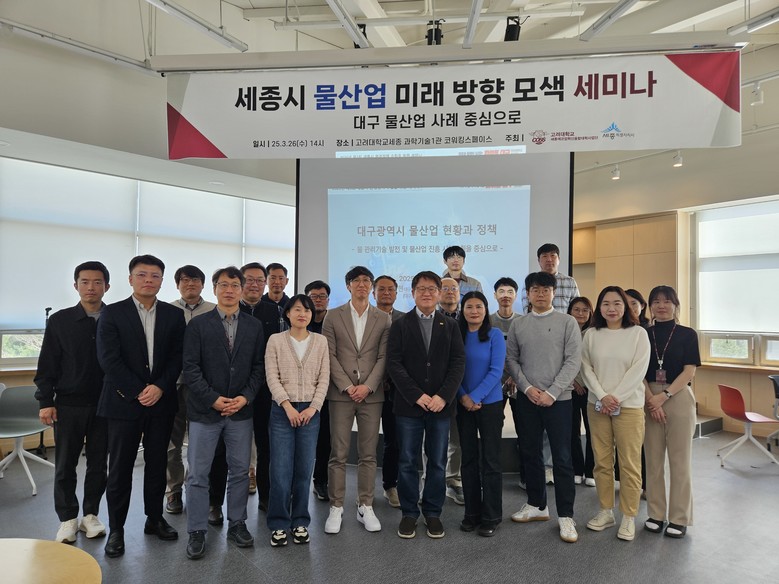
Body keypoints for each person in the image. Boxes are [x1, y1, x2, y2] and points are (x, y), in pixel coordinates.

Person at [96, 255, 186, 558]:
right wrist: (138, 391)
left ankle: (155, 518)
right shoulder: (113, 313)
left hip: (161, 402)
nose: (149, 280)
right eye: (142, 274)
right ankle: (117, 529)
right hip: (123, 403)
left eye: (155, 275)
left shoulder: (174, 315)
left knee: (158, 464)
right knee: (120, 468)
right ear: (130, 279)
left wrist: (159, 386)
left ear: (162, 280)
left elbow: (177, 356)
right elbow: (109, 359)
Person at [182, 266, 265, 560]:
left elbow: (258, 367)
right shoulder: (198, 325)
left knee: (240, 471)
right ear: (214, 289)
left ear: (242, 289)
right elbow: (190, 368)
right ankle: (196, 530)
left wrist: (245, 397)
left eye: (234, 285)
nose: (229, 290)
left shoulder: (254, 326)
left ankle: (238, 523)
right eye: (223, 285)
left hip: (240, 412)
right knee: (198, 473)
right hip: (205, 412)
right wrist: (213, 399)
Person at [35, 261, 111, 544]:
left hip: (106, 404)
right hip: (68, 404)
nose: (91, 287)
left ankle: (90, 514)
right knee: (65, 464)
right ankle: (67, 517)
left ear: (107, 286)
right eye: (85, 282)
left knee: (98, 463)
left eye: (97, 282)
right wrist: (45, 401)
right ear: (75, 285)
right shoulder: (60, 321)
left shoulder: (115, 318)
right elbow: (47, 365)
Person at [387, 271, 465, 540]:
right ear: (413, 293)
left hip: (440, 407)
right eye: (422, 289)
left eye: (432, 288)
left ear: (439, 293)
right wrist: (416, 395)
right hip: (409, 406)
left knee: (438, 461)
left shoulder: (450, 325)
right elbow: (394, 363)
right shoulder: (400, 324)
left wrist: (443, 396)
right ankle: (409, 513)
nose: (427, 293)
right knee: (408, 460)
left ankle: (433, 512)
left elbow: (458, 363)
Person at [506, 271, 581, 544]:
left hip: (559, 401)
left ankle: (566, 515)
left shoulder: (567, 322)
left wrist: (552, 392)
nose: (540, 294)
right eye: (535, 290)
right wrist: (527, 389)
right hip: (527, 399)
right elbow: (512, 360)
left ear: (553, 293)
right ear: (527, 294)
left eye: (546, 290)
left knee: (562, 457)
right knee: (530, 452)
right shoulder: (518, 324)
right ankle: (537, 505)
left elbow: (573, 361)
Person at [322, 266, 391, 534]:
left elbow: (383, 357)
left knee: (368, 454)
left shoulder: (383, 318)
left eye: (366, 280)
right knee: (338, 453)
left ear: (371, 287)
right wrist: (348, 386)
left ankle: (365, 505)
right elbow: (329, 354)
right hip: (341, 394)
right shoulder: (333, 315)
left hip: (371, 396)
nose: (361, 284)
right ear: (348, 285)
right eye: (356, 280)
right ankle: (336, 506)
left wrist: (368, 386)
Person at [581, 286, 650, 542]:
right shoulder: (591, 334)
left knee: (629, 463)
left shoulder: (638, 333)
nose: (611, 308)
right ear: (599, 307)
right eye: (606, 303)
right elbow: (585, 368)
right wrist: (602, 396)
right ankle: (605, 511)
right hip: (597, 405)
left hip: (629, 406)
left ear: (626, 307)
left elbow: (638, 370)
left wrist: (616, 397)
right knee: (601, 461)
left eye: (617, 303)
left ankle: (629, 516)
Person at [265, 294, 330, 547]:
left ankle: (300, 521)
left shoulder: (320, 341)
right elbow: (272, 376)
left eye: (307, 310)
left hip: (311, 413)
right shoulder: (275, 340)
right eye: (297, 310)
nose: (303, 314)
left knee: (304, 469)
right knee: (280, 470)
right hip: (282, 411)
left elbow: (324, 377)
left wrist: (313, 408)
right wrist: (287, 406)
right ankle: (279, 523)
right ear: (288, 313)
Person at [643, 285, 700, 539]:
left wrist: (663, 397)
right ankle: (655, 513)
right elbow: (638, 370)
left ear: (676, 305)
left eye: (667, 301)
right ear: (650, 307)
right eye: (656, 301)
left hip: (677, 395)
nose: (661, 306)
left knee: (680, 460)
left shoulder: (687, 334)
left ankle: (679, 518)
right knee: (653, 459)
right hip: (648, 396)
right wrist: (651, 400)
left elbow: (689, 371)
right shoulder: (643, 334)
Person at [166, 265, 215, 515]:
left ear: (203, 285)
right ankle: (173, 490)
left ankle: (198, 489)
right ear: (177, 284)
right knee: (172, 443)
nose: (190, 284)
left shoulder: (214, 310)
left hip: (204, 387)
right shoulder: (167, 311)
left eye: (195, 280)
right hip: (172, 384)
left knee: (201, 443)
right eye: (184, 280)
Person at [456, 291, 506, 537]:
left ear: (486, 310)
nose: (474, 311)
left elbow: (497, 371)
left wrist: (474, 397)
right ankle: (472, 513)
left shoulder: (495, 335)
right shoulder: (456, 335)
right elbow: (452, 370)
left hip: (490, 404)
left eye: (478, 306)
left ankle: (491, 516)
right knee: (468, 460)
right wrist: (463, 396)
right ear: (462, 310)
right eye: (469, 307)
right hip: (463, 404)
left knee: (491, 461)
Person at [238, 262, 280, 514]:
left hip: (266, 389)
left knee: (266, 445)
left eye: (259, 280)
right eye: (249, 280)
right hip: (235, 389)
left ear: (265, 283)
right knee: (233, 446)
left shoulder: (276, 312)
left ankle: (267, 495)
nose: (254, 285)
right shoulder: (231, 309)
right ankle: (222, 502)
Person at [489, 277, 524, 488]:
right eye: (501, 291)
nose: (505, 295)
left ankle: (526, 476)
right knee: (493, 429)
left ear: (515, 296)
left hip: (520, 383)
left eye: (510, 292)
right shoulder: (487, 321)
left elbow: (527, 352)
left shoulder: (523, 321)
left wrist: (514, 376)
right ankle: (491, 476)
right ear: (495, 295)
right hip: (493, 385)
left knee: (525, 430)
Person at [373, 275, 404, 508]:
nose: (386, 293)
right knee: (367, 442)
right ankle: (364, 490)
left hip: (397, 390)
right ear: (373, 292)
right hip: (369, 389)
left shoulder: (405, 319)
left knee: (394, 440)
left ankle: (390, 485)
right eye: (381, 289)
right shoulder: (365, 317)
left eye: (390, 289)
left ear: (396, 292)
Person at [434, 277, 464, 506]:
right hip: (434, 389)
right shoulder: (428, 317)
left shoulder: (468, 316)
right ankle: (430, 482)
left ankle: (453, 480)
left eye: (454, 288)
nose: (450, 292)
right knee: (432, 440)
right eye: (445, 288)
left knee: (457, 439)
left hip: (461, 387)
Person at [304, 280, 331, 502]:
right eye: (313, 296)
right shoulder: (300, 321)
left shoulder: (334, 322)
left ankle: (320, 480)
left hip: (327, 390)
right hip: (301, 391)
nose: (318, 300)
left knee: (325, 439)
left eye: (322, 296)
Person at [567, 297, 595, 487]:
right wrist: (573, 382)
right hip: (569, 388)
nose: (580, 313)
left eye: (585, 310)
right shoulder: (565, 331)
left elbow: (595, 362)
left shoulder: (595, 333)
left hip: (591, 389)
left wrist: (584, 383)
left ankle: (591, 471)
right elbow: (560, 360)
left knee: (593, 431)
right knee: (572, 431)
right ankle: (577, 469)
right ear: (570, 311)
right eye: (576, 309)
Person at [521, 243, 580, 313]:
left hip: (563, 320)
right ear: (539, 260)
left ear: (559, 259)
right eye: (545, 256)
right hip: (537, 319)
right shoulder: (531, 281)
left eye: (552, 255)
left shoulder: (570, 281)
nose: (549, 259)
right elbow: (526, 308)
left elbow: (577, 307)